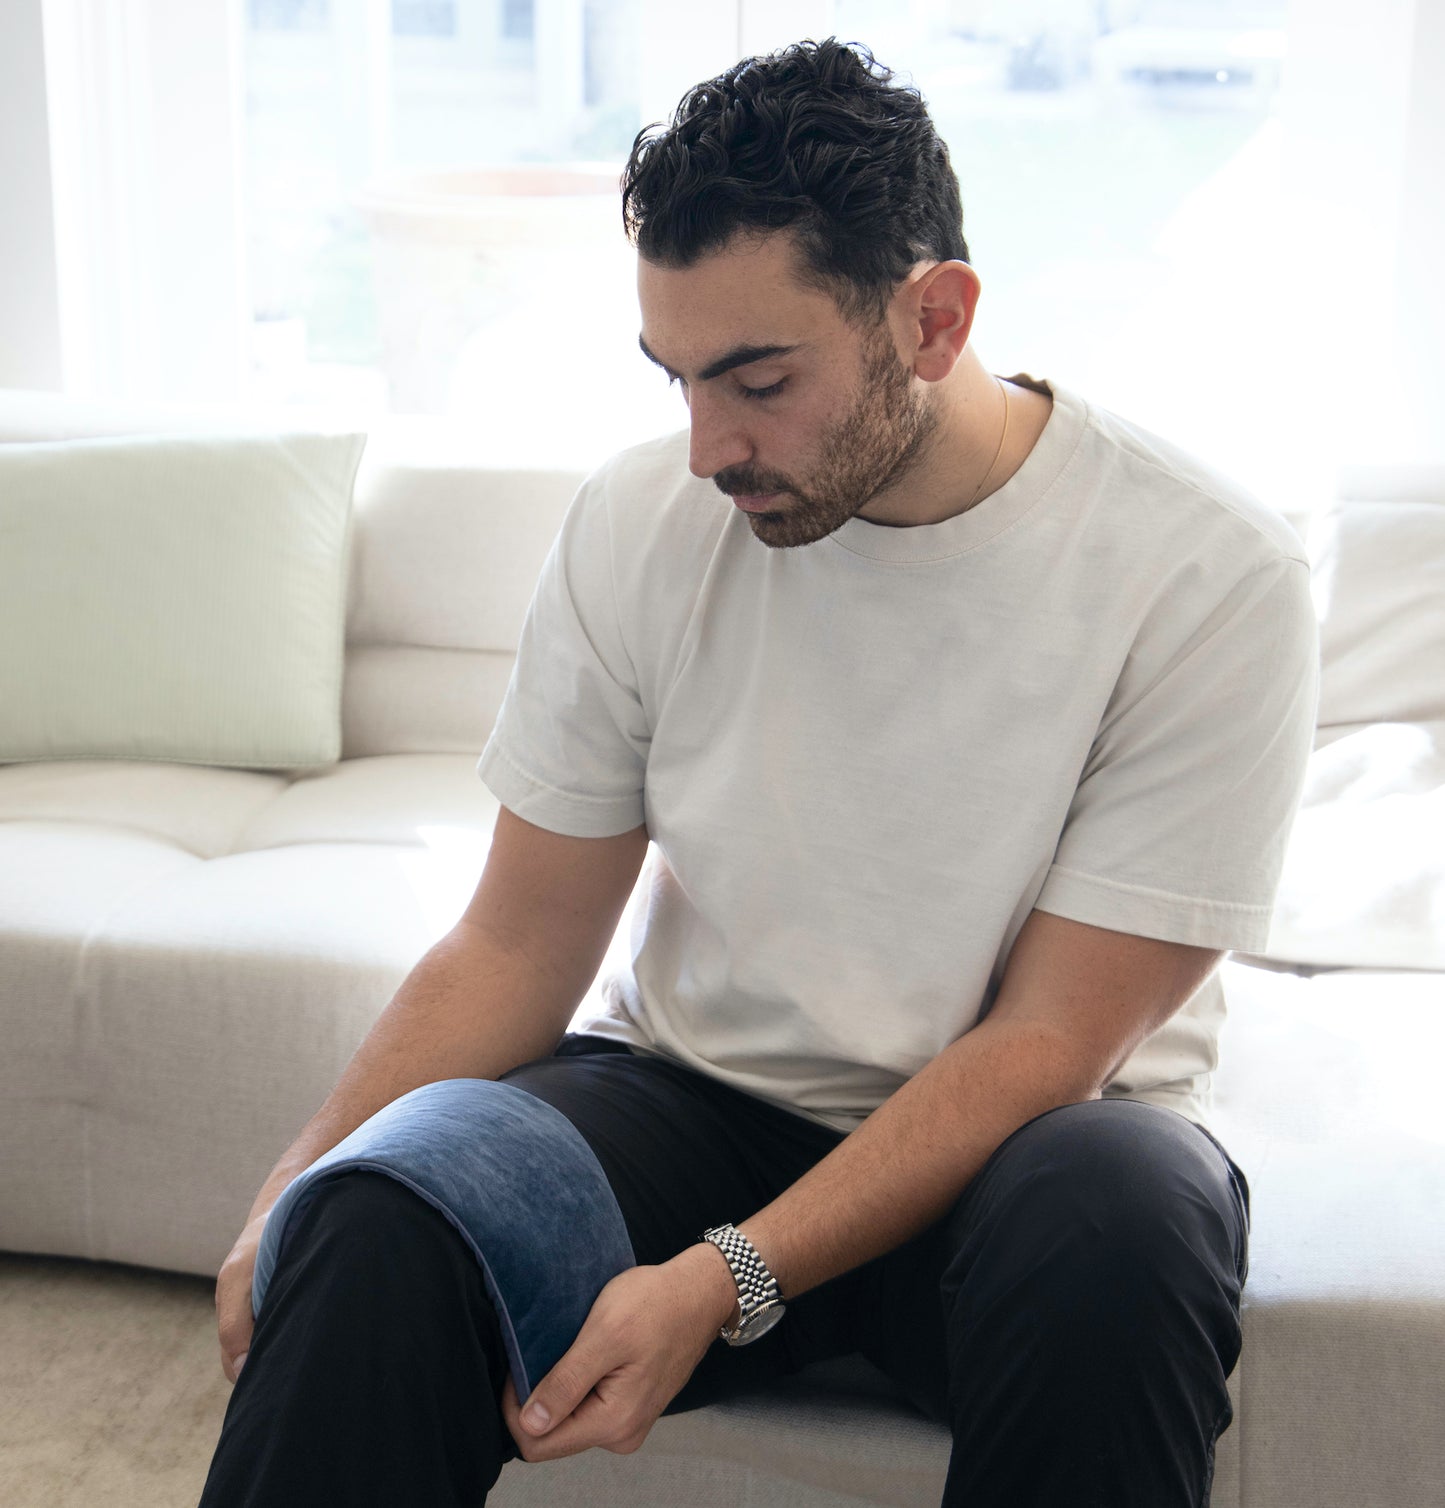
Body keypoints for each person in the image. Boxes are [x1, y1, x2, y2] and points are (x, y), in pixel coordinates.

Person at [200, 37, 1318, 1508]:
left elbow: (1051, 1040)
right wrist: (302, 1176)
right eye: (676, 379)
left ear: (934, 319)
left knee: (1122, 1223)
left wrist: (730, 1276)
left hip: (1029, 1151)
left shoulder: (1207, 576)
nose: (705, 448)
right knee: (378, 1207)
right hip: (690, 1100)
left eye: (759, 379)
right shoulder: (639, 523)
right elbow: (520, 938)